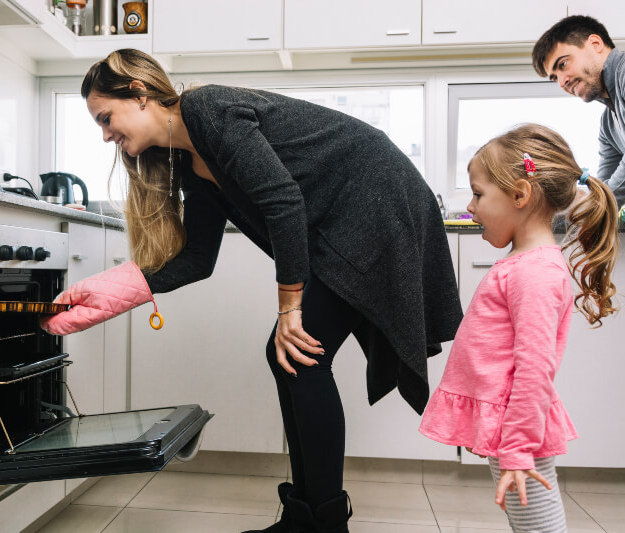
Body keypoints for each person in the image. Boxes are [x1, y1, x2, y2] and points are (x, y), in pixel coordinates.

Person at [51, 48, 464, 533]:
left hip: (377, 200)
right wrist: (113, 290)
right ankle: (305, 518)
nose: (105, 135)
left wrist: (290, 308)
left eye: (106, 118)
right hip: (349, 215)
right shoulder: (188, 161)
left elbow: (283, 201)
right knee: (290, 356)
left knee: (299, 353)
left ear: (140, 95)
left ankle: (323, 524)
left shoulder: (206, 109)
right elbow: (198, 260)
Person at [419, 124, 619, 533]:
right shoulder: (525, 264)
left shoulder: (536, 273)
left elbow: (535, 369)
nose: (470, 206)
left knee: (538, 528)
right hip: (512, 427)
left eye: (477, 194)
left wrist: (517, 450)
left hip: (518, 430)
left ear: (520, 195)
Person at [532, 15, 625, 207]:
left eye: (563, 64)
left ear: (595, 43)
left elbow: (606, 195)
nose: (561, 82)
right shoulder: (608, 124)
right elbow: (608, 191)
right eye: (554, 77)